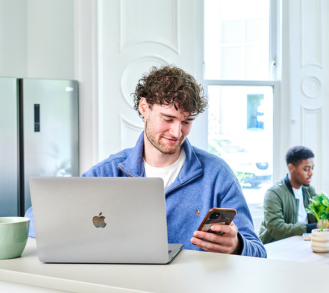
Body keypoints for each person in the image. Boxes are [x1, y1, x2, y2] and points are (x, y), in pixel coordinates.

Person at [25, 65, 266, 258]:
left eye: (186, 121)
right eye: (168, 118)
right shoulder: (110, 171)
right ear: (144, 107)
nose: (177, 131)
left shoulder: (217, 174)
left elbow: (258, 252)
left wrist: (236, 245)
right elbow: (36, 219)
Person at [259, 146, 329, 244]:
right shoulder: (274, 193)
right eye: (306, 169)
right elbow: (276, 229)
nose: (311, 173)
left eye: (312, 168)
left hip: (301, 244)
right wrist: (315, 226)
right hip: (276, 246)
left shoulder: (309, 191)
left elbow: (324, 214)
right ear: (291, 168)